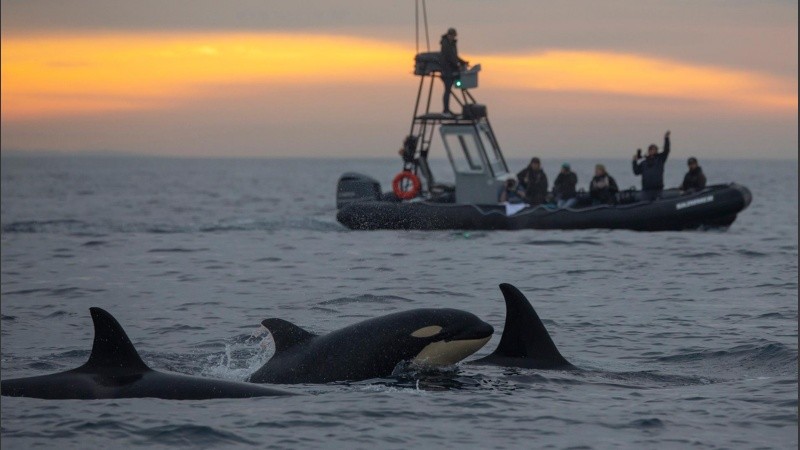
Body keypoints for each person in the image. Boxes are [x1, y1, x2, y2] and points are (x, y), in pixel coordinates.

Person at [632, 130, 671, 201]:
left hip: (658, 189)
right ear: (648, 151)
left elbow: (666, 150)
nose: (652, 151)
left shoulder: (660, 159)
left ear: (657, 151)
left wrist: (666, 138)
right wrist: (634, 161)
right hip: (646, 190)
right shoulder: (644, 163)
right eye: (651, 149)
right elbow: (636, 172)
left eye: (654, 149)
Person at [439, 27, 467, 116]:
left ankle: (447, 110)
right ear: (448, 35)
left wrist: (462, 62)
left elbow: (455, 56)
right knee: (447, 90)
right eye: (451, 36)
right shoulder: (445, 44)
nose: (453, 37)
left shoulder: (452, 44)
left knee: (449, 89)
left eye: (454, 36)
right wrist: (457, 64)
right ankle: (445, 110)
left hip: (451, 70)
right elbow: (449, 57)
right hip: (446, 71)